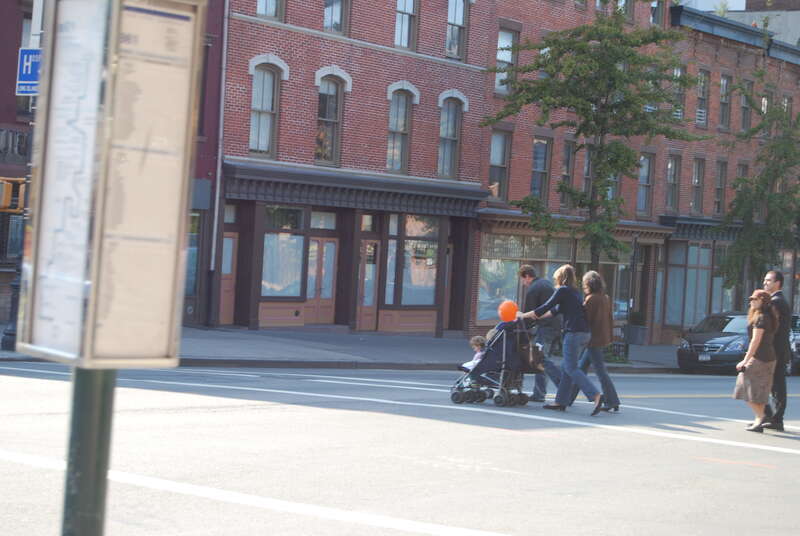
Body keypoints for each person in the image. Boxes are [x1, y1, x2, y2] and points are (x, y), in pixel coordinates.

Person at [518, 264, 605, 415]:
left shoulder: (562, 290)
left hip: (574, 333)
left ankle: (595, 394)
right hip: (584, 333)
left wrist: (523, 315)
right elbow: (554, 311)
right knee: (566, 367)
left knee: (571, 368)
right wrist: (532, 315)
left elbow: (544, 307)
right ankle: (561, 401)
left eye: (555, 277)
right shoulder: (574, 292)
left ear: (560, 277)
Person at [568, 271, 621, 412]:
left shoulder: (591, 299)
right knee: (581, 369)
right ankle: (568, 398)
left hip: (592, 340)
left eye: (585, 283)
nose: (584, 286)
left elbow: (585, 319)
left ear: (589, 284)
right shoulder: (605, 298)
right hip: (600, 338)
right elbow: (610, 319)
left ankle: (612, 401)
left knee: (600, 372)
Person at [733, 290, 779, 433]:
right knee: (758, 391)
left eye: (754, 299)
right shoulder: (767, 316)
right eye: (751, 298)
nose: (751, 301)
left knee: (744, 387)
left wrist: (745, 361)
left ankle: (762, 417)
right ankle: (759, 419)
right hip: (768, 358)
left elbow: (755, 341)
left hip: (760, 358)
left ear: (762, 301)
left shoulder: (761, 318)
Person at [518, 265, 562, 402]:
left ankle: (564, 386)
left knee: (540, 358)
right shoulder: (546, 283)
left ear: (526, 276)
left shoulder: (533, 289)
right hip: (556, 326)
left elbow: (530, 314)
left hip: (546, 327)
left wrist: (522, 331)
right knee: (542, 358)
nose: (523, 284)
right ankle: (539, 393)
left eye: (522, 280)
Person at [762, 270, 791, 432]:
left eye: (768, 280)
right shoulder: (776, 300)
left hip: (776, 351)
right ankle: (769, 416)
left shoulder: (777, 301)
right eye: (764, 280)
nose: (765, 283)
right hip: (776, 350)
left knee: (776, 385)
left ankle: (775, 418)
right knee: (771, 384)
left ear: (777, 283)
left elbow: (771, 328)